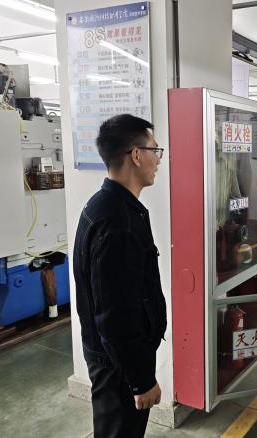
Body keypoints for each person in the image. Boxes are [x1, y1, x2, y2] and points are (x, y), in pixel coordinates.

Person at [73, 114, 167, 437]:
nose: (158, 159)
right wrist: (141, 380)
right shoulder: (118, 223)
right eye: (155, 150)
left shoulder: (106, 205)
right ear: (136, 155)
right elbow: (115, 317)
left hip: (115, 359)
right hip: (119, 368)